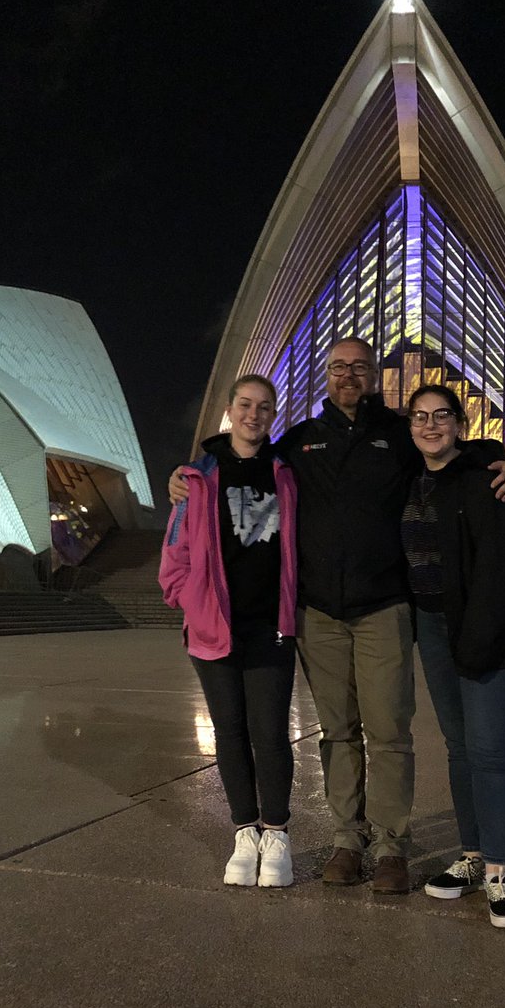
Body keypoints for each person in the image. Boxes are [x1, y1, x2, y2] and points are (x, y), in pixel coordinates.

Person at [169, 338, 505, 894]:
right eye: (339, 367)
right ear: (327, 375)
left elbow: (454, 448)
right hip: (319, 613)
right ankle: (346, 839)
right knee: (337, 733)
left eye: (359, 367)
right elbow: (246, 457)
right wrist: (189, 471)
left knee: (388, 732)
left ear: (373, 376)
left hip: (384, 607)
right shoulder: (300, 442)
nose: (348, 376)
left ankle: (390, 846)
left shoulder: (399, 436)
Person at [401, 385, 505, 928]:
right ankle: (471, 857)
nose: (430, 425)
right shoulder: (408, 477)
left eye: (441, 415)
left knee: (489, 750)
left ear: (460, 424)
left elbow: (504, 565)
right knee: (460, 747)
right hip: (433, 624)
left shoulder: (490, 474)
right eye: (420, 416)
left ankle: (500, 872)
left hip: (490, 628)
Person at [159, 375, 298, 888]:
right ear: (229, 410)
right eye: (245, 404)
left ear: (273, 414)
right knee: (230, 731)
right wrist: (190, 602)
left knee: (270, 732)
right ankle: (244, 831)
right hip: (214, 626)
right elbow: (175, 551)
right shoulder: (197, 478)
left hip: (270, 625)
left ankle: (276, 834)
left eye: (264, 407)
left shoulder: (287, 472)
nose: (253, 415)